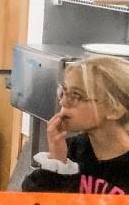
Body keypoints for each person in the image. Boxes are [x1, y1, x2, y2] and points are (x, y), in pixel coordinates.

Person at [22, 55, 129, 195]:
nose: (62, 102)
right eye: (63, 92)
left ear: (114, 110)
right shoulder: (72, 150)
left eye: (75, 95)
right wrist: (57, 161)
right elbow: (34, 202)